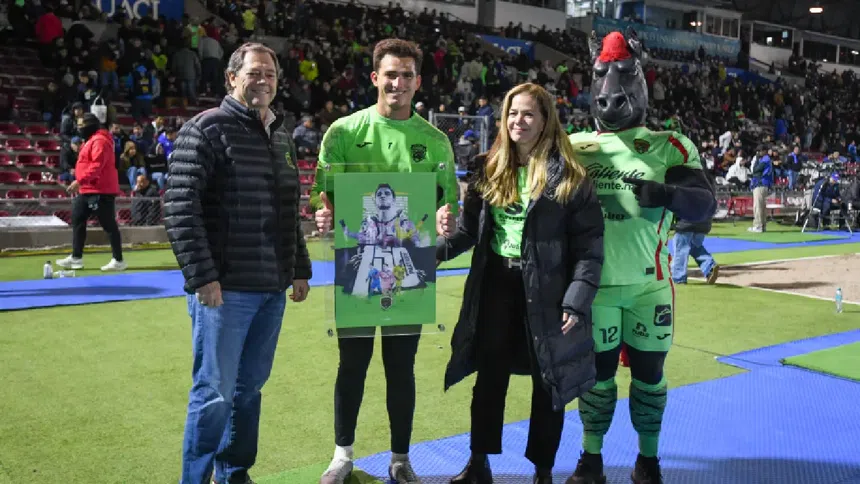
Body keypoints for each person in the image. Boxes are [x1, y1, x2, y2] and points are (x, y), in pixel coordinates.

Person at [566, 30, 716, 484]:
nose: (611, 92)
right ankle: (591, 459)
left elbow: (704, 206)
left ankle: (647, 460)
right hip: (594, 290)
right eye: (602, 76)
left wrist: (665, 193)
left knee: (650, 378)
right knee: (597, 379)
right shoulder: (573, 145)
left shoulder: (671, 144)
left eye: (624, 74)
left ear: (641, 80)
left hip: (650, 288)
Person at [436, 82, 604, 484]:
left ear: (545, 120)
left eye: (528, 113)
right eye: (512, 113)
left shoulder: (570, 176)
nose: (518, 121)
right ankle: (478, 464)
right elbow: (468, 233)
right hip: (496, 284)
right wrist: (433, 251)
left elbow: (590, 247)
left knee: (549, 382)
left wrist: (576, 299)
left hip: (549, 291)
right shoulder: (487, 167)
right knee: (489, 375)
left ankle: (543, 471)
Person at [310, 38, 459, 484]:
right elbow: (323, 196)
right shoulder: (343, 132)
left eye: (407, 75)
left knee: (401, 368)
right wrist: (322, 213)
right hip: (357, 266)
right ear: (375, 77)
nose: (398, 82)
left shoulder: (435, 142)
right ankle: (342, 456)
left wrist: (447, 217)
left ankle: (400, 458)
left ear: (418, 81)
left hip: (409, 270)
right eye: (391, 74)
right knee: (352, 365)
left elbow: (447, 204)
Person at [163, 42, 312, 484]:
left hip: (271, 289)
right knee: (214, 394)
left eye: (270, 74)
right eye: (254, 72)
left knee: (248, 393)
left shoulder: (281, 134)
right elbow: (179, 206)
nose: (263, 80)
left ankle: (234, 473)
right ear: (232, 78)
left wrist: (299, 267)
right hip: (225, 291)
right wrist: (203, 277)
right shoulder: (206, 128)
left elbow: (287, 209)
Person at [55, 112, 127, 272]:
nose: (79, 128)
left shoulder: (100, 141)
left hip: (100, 190)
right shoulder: (92, 140)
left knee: (108, 224)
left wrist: (79, 180)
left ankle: (118, 260)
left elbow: (97, 165)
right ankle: (76, 257)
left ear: (91, 125)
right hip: (88, 188)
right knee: (77, 219)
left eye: (81, 125)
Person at [670, 215, 719, 284]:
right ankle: (709, 267)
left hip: (686, 222)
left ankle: (678, 278)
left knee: (681, 249)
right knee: (695, 247)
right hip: (704, 222)